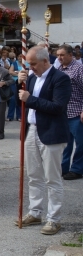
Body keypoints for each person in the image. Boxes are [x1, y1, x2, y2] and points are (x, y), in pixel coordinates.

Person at [16, 46, 71, 235]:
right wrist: (19, 85)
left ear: (45, 61)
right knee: (33, 175)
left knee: (52, 178)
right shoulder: (31, 78)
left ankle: (54, 218)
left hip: (52, 133)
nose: (30, 68)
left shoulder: (60, 78)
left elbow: (58, 107)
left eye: (33, 64)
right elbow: (22, 103)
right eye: (29, 64)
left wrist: (30, 99)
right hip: (32, 130)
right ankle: (35, 211)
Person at [55, 45, 83, 180]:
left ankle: (77, 169)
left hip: (77, 112)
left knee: (80, 144)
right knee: (65, 144)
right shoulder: (59, 69)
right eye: (58, 55)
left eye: (62, 55)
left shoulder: (79, 68)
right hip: (63, 112)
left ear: (70, 55)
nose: (59, 58)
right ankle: (63, 168)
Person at [8, 53, 28, 121]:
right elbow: (10, 71)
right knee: (13, 99)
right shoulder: (14, 63)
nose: (20, 58)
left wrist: (17, 73)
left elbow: (27, 72)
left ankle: (19, 116)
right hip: (14, 83)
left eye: (22, 56)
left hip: (24, 82)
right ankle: (10, 116)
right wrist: (19, 74)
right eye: (19, 56)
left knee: (20, 99)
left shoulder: (27, 64)